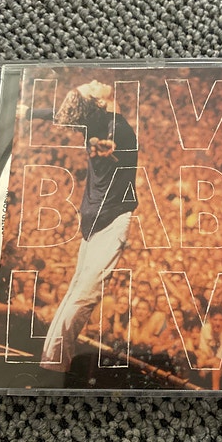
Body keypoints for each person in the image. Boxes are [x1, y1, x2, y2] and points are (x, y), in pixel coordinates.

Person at [28, 79, 138, 373]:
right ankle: (55, 365)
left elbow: (61, 113)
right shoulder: (115, 127)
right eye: (90, 87)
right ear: (97, 103)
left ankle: (51, 358)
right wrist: (108, 149)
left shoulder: (93, 122)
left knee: (76, 291)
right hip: (111, 218)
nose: (94, 81)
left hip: (92, 214)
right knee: (86, 294)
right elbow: (114, 142)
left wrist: (28, 112)